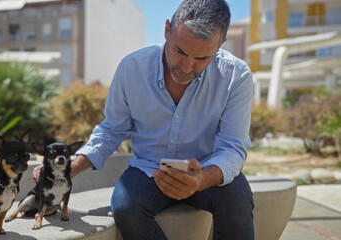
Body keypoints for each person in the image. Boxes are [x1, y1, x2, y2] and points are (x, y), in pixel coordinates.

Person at [34, 0, 254, 239]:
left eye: (202, 58)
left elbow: (233, 146)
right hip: (149, 170)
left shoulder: (237, 76)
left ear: (220, 44)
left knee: (238, 197)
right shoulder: (132, 68)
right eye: (180, 51)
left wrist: (201, 179)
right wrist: (71, 167)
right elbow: (111, 130)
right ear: (167, 30)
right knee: (126, 203)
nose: (186, 67)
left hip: (208, 169)